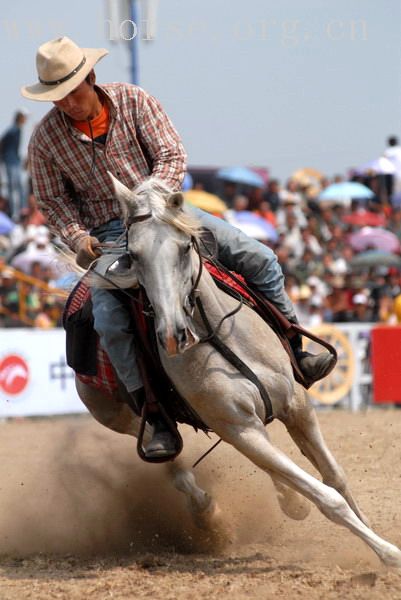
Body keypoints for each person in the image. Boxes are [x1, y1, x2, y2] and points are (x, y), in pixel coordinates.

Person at [22, 36, 335, 459]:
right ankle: (152, 413)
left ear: (91, 78)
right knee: (111, 320)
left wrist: (151, 203)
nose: (67, 104)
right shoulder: (44, 142)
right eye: (57, 98)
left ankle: (296, 352)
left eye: (72, 93)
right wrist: (79, 238)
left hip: (167, 212)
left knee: (259, 258)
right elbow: (53, 201)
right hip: (111, 236)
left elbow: (171, 153)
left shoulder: (135, 101)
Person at [0, 109, 28, 220]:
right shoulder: (13, 130)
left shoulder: (17, 130)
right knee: (13, 186)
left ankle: (21, 209)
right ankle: (16, 212)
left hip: (14, 161)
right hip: (10, 161)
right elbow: (1, 142)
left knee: (18, 186)